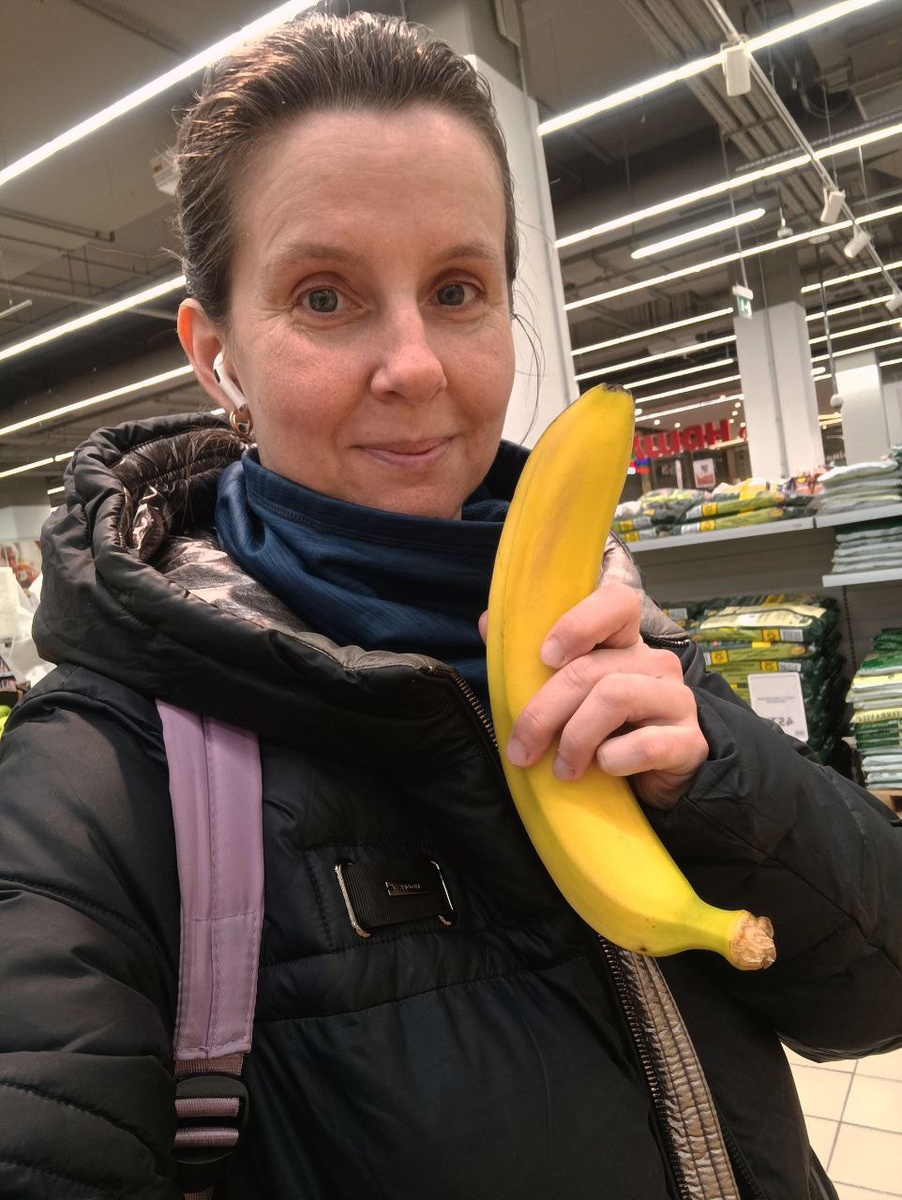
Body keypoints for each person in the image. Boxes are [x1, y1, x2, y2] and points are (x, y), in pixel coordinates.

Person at [0, 10, 900, 1200]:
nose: (415, 364)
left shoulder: (617, 631)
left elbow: (871, 997)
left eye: (457, 288)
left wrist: (714, 776)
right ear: (216, 354)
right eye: (324, 297)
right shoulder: (101, 777)